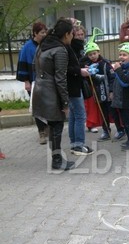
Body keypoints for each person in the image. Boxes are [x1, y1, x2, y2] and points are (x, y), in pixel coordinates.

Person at [32, 18, 75, 171]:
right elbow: (60, 79)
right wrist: (65, 102)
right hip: (51, 92)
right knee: (56, 127)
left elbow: (34, 66)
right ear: (67, 34)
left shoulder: (43, 44)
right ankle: (56, 161)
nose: (73, 37)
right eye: (72, 33)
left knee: (52, 126)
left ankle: (56, 159)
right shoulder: (60, 50)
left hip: (39, 88)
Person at [80, 40, 125, 141]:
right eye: (90, 54)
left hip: (108, 93)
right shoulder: (89, 66)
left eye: (94, 53)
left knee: (113, 112)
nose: (93, 56)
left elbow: (112, 77)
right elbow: (88, 79)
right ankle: (106, 131)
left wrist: (112, 91)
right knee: (103, 113)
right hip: (98, 94)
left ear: (98, 52)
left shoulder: (105, 63)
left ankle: (120, 129)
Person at [16, 21, 48, 144]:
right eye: (42, 33)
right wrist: (26, 81)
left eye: (45, 32)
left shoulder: (47, 45)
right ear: (35, 33)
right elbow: (22, 64)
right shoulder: (27, 47)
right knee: (37, 107)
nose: (44, 35)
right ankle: (42, 132)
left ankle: (47, 127)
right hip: (34, 82)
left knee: (48, 106)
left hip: (47, 81)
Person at [66, 20, 94, 156]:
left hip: (73, 84)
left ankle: (74, 143)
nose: (80, 37)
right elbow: (69, 68)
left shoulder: (75, 47)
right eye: (76, 34)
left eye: (82, 34)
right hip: (73, 85)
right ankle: (78, 145)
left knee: (73, 115)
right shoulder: (71, 48)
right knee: (79, 115)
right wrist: (80, 70)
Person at [112, 42, 129, 151]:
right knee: (125, 121)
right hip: (121, 100)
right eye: (120, 54)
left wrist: (118, 70)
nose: (121, 57)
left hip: (128, 100)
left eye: (124, 55)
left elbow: (125, 82)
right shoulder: (123, 67)